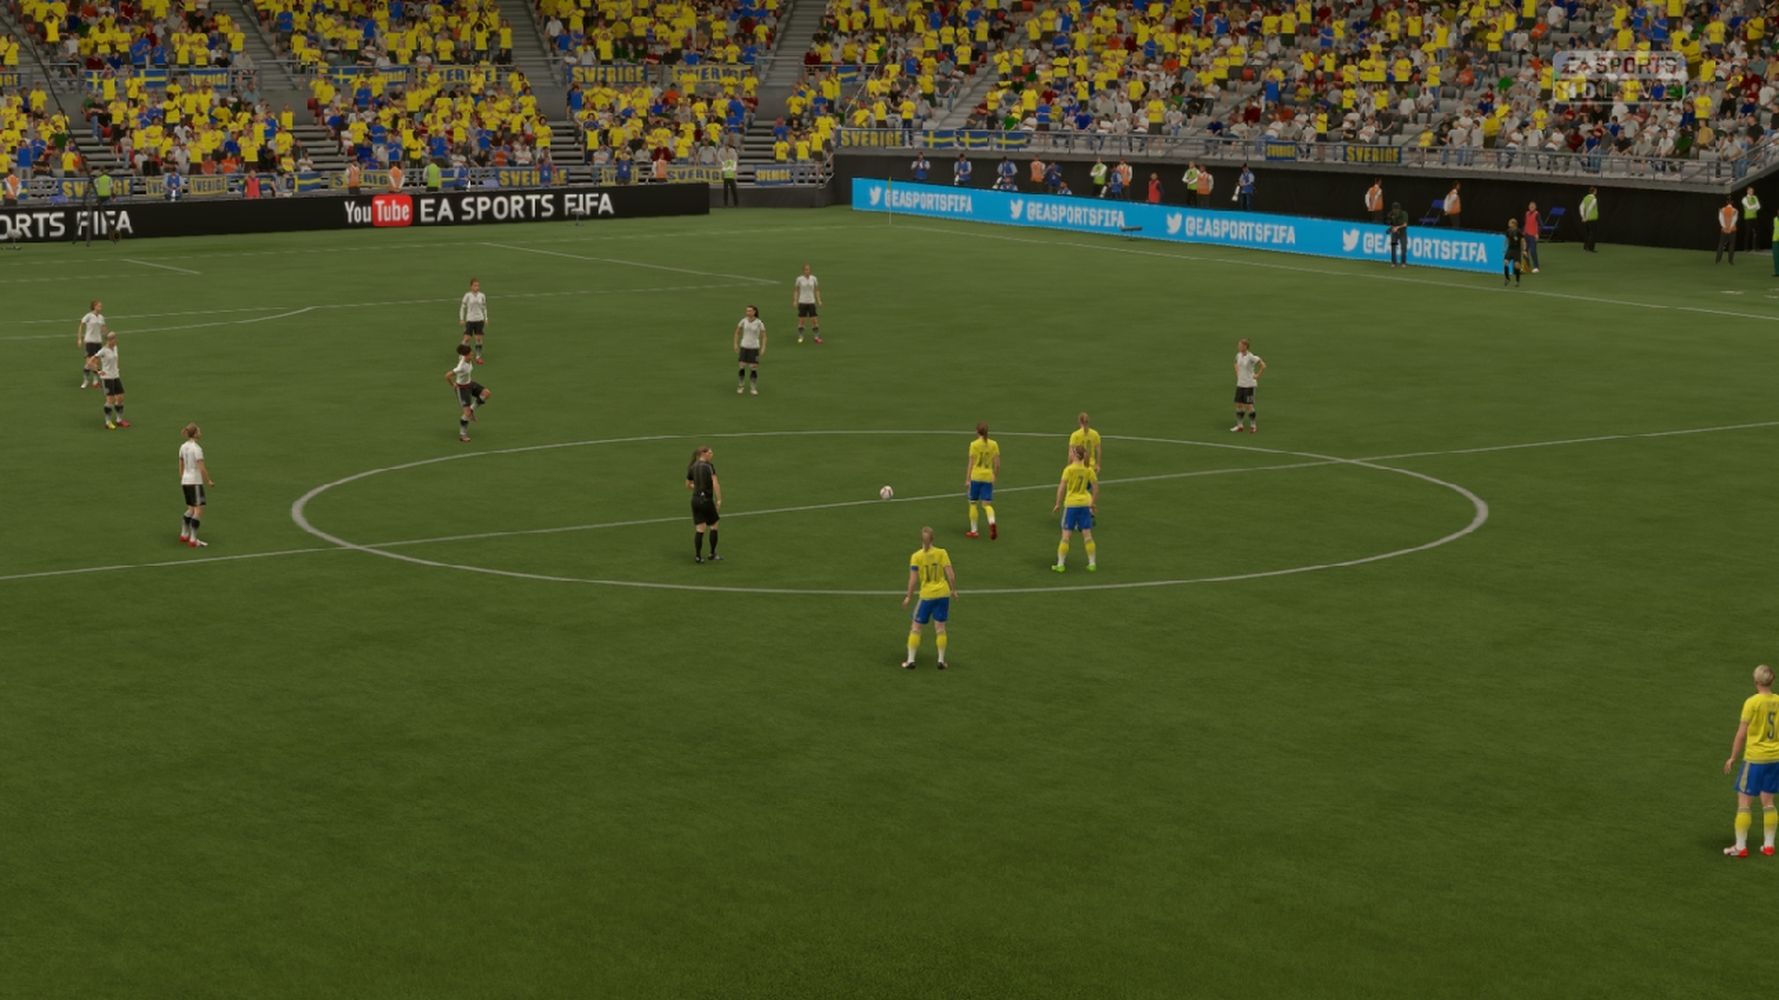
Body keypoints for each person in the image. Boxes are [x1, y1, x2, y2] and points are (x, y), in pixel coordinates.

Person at [1722, 664, 1779, 857]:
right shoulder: (1778, 701)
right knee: (1768, 801)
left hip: (1755, 759)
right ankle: (1769, 846)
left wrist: (1733, 757)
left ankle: (1740, 847)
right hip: (1775, 758)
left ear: (1756, 681)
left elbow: (1741, 734)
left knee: (1744, 802)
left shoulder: (1752, 702)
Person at [901, 526, 957, 669]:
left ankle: (910, 661)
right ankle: (941, 661)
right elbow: (951, 575)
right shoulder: (942, 553)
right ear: (933, 539)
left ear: (921, 539)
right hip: (943, 594)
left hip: (927, 596)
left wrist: (908, 597)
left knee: (916, 628)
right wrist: (953, 590)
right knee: (940, 628)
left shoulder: (916, 556)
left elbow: (913, 580)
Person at [1051, 444, 1098, 573]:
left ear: (1075, 455)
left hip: (1071, 505)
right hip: (1084, 505)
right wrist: (1093, 503)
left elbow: (1061, 488)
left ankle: (1060, 564)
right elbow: (1095, 487)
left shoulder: (1069, 470)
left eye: (1072, 452)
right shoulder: (1088, 470)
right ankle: (1092, 563)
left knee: (1066, 536)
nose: (1070, 454)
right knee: (1087, 535)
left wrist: (1057, 503)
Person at [178, 422, 216, 548]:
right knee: (198, 511)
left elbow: (181, 464)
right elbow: (201, 468)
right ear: (194, 434)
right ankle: (193, 540)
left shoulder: (183, 446)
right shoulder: (197, 449)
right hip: (195, 481)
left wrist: (182, 477)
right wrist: (208, 480)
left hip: (185, 481)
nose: (200, 432)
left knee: (190, 509)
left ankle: (184, 534)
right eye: (198, 431)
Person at [446, 344, 491, 442]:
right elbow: (447, 375)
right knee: (466, 414)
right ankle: (463, 435)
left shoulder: (466, 357)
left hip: (470, 384)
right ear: (466, 355)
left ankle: (471, 410)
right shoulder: (461, 367)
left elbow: (461, 351)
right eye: (471, 354)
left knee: (486, 393)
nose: (472, 354)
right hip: (462, 389)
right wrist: (453, 384)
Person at [685, 445, 722, 563]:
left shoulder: (693, 467)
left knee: (700, 529)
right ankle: (712, 554)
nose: (712, 455)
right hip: (706, 500)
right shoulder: (709, 466)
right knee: (714, 525)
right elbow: (715, 483)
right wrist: (719, 499)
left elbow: (688, 485)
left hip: (695, 500)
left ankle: (698, 556)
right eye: (710, 453)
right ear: (703, 454)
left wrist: (697, 487)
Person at [964, 422, 999, 539]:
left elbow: (971, 463)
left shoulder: (974, 445)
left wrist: (967, 479)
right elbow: (997, 465)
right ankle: (992, 522)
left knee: (973, 502)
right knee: (987, 504)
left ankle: (974, 530)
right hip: (988, 476)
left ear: (977, 432)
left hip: (976, 476)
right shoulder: (994, 444)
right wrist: (994, 476)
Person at [88, 331, 129, 429]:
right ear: (109, 340)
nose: (116, 341)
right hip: (107, 378)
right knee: (110, 400)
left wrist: (117, 368)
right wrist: (98, 371)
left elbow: (116, 358)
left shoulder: (115, 348)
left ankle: (119, 420)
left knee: (120, 398)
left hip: (116, 376)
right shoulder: (103, 351)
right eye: (114, 339)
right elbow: (90, 362)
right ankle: (108, 422)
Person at [1232, 338, 1266, 432]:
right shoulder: (1238, 355)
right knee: (1239, 404)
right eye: (1238, 345)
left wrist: (1258, 375)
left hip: (1249, 384)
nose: (1238, 347)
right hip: (1240, 384)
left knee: (1248, 406)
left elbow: (1263, 365)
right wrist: (1237, 373)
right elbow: (1235, 363)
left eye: (1240, 345)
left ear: (1245, 346)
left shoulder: (1251, 357)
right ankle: (1240, 425)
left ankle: (1253, 426)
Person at [733, 304, 766, 395]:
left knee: (753, 367)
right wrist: (735, 344)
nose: (748, 312)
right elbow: (737, 332)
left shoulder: (759, 323)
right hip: (744, 346)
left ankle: (753, 387)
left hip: (754, 348)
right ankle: (741, 385)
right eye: (747, 311)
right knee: (742, 366)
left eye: (750, 311)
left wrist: (763, 347)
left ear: (754, 312)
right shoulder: (743, 321)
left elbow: (764, 336)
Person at [77, 299, 109, 389]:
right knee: (89, 363)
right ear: (94, 307)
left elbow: (103, 328)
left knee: (95, 362)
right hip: (89, 341)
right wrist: (79, 338)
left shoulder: (101, 317)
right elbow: (81, 325)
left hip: (98, 342)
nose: (101, 307)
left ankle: (95, 380)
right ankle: (87, 380)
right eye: (99, 306)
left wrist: (107, 337)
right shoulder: (88, 316)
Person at [459, 277, 488, 364]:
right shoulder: (467, 295)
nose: (477, 287)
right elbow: (462, 307)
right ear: (471, 286)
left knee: (478, 338)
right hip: (470, 320)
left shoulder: (482, 295)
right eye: (475, 285)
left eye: (478, 285)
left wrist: (486, 318)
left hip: (479, 319)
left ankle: (478, 356)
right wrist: (461, 318)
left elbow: (484, 308)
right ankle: (462, 355)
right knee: (467, 338)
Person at [792, 264, 822, 344]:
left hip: (811, 302)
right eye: (805, 270)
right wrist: (795, 300)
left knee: (814, 320)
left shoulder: (814, 279)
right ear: (803, 271)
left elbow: (817, 290)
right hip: (802, 302)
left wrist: (819, 300)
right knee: (802, 320)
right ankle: (801, 336)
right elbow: (796, 290)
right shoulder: (799, 279)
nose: (807, 271)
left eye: (808, 269)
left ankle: (816, 336)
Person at [1716, 197, 1739, 264]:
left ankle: (1718, 260)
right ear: (1732, 202)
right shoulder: (1735, 210)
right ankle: (1730, 261)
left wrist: (1724, 227)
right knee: (1731, 245)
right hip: (1732, 230)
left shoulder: (1722, 209)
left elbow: (1720, 219)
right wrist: (1730, 229)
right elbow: (1734, 220)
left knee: (1721, 244)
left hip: (1724, 230)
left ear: (1726, 202)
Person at [1386, 201, 1409, 267]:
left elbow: (1405, 224)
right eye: (1394, 209)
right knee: (1393, 247)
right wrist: (1391, 228)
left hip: (1402, 233)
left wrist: (1397, 227)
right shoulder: (1391, 214)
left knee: (1403, 247)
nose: (1395, 210)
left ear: (1399, 209)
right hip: (1394, 233)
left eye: (1396, 209)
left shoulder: (1404, 214)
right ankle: (1394, 263)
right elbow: (1390, 223)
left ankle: (1403, 263)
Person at [1504, 218, 1525, 286]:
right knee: (1506, 262)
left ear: (1514, 224)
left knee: (1517, 266)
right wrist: (1505, 248)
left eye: (1510, 223)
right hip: (1510, 249)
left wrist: (1523, 250)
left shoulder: (1518, 231)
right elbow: (1506, 239)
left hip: (1517, 250)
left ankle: (1517, 281)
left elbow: (1522, 240)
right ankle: (1507, 278)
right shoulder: (1508, 231)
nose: (1508, 224)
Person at [1522, 202, 1542, 273]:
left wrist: (1537, 234)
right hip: (1526, 235)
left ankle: (1536, 267)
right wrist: (1523, 233)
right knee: (1525, 251)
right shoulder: (1527, 213)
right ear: (1528, 207)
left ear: (1535, 207)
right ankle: (1527, 266)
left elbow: (1540, 225)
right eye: (1530, 206)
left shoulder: (1537, 214)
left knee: (1533, 251)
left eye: (1533, 206)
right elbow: (1526, 224)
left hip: (1533, 235)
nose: (1531, 207)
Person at [1742, 186, 1763, 252]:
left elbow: (1759, 207)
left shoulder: (1755, 197)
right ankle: (1746, 248)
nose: (1752, 192)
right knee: (1748, 233)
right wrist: (1755, 206)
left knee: (1757, 232)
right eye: (1750, 191)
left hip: (1755, 217)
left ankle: (1756, 247)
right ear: (1747, 191)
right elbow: (1749, 207)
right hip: (1748, 218)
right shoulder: (1744, 199)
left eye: (1753, 191)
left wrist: (1754, 207)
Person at [1579, 187, 1599, 252]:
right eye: (1596, 191)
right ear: (1594, 192)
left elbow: (1581, 207)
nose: (1596, 192)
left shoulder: (1585, 198)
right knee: (1592, 234)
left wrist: (1583, 217)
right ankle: (1590, 248)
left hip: (1586, 219)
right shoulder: (1594, 199)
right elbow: (1590, 208)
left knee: (1587, 233)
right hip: (1592, 218)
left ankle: (1585, 247)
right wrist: (1586, 217)